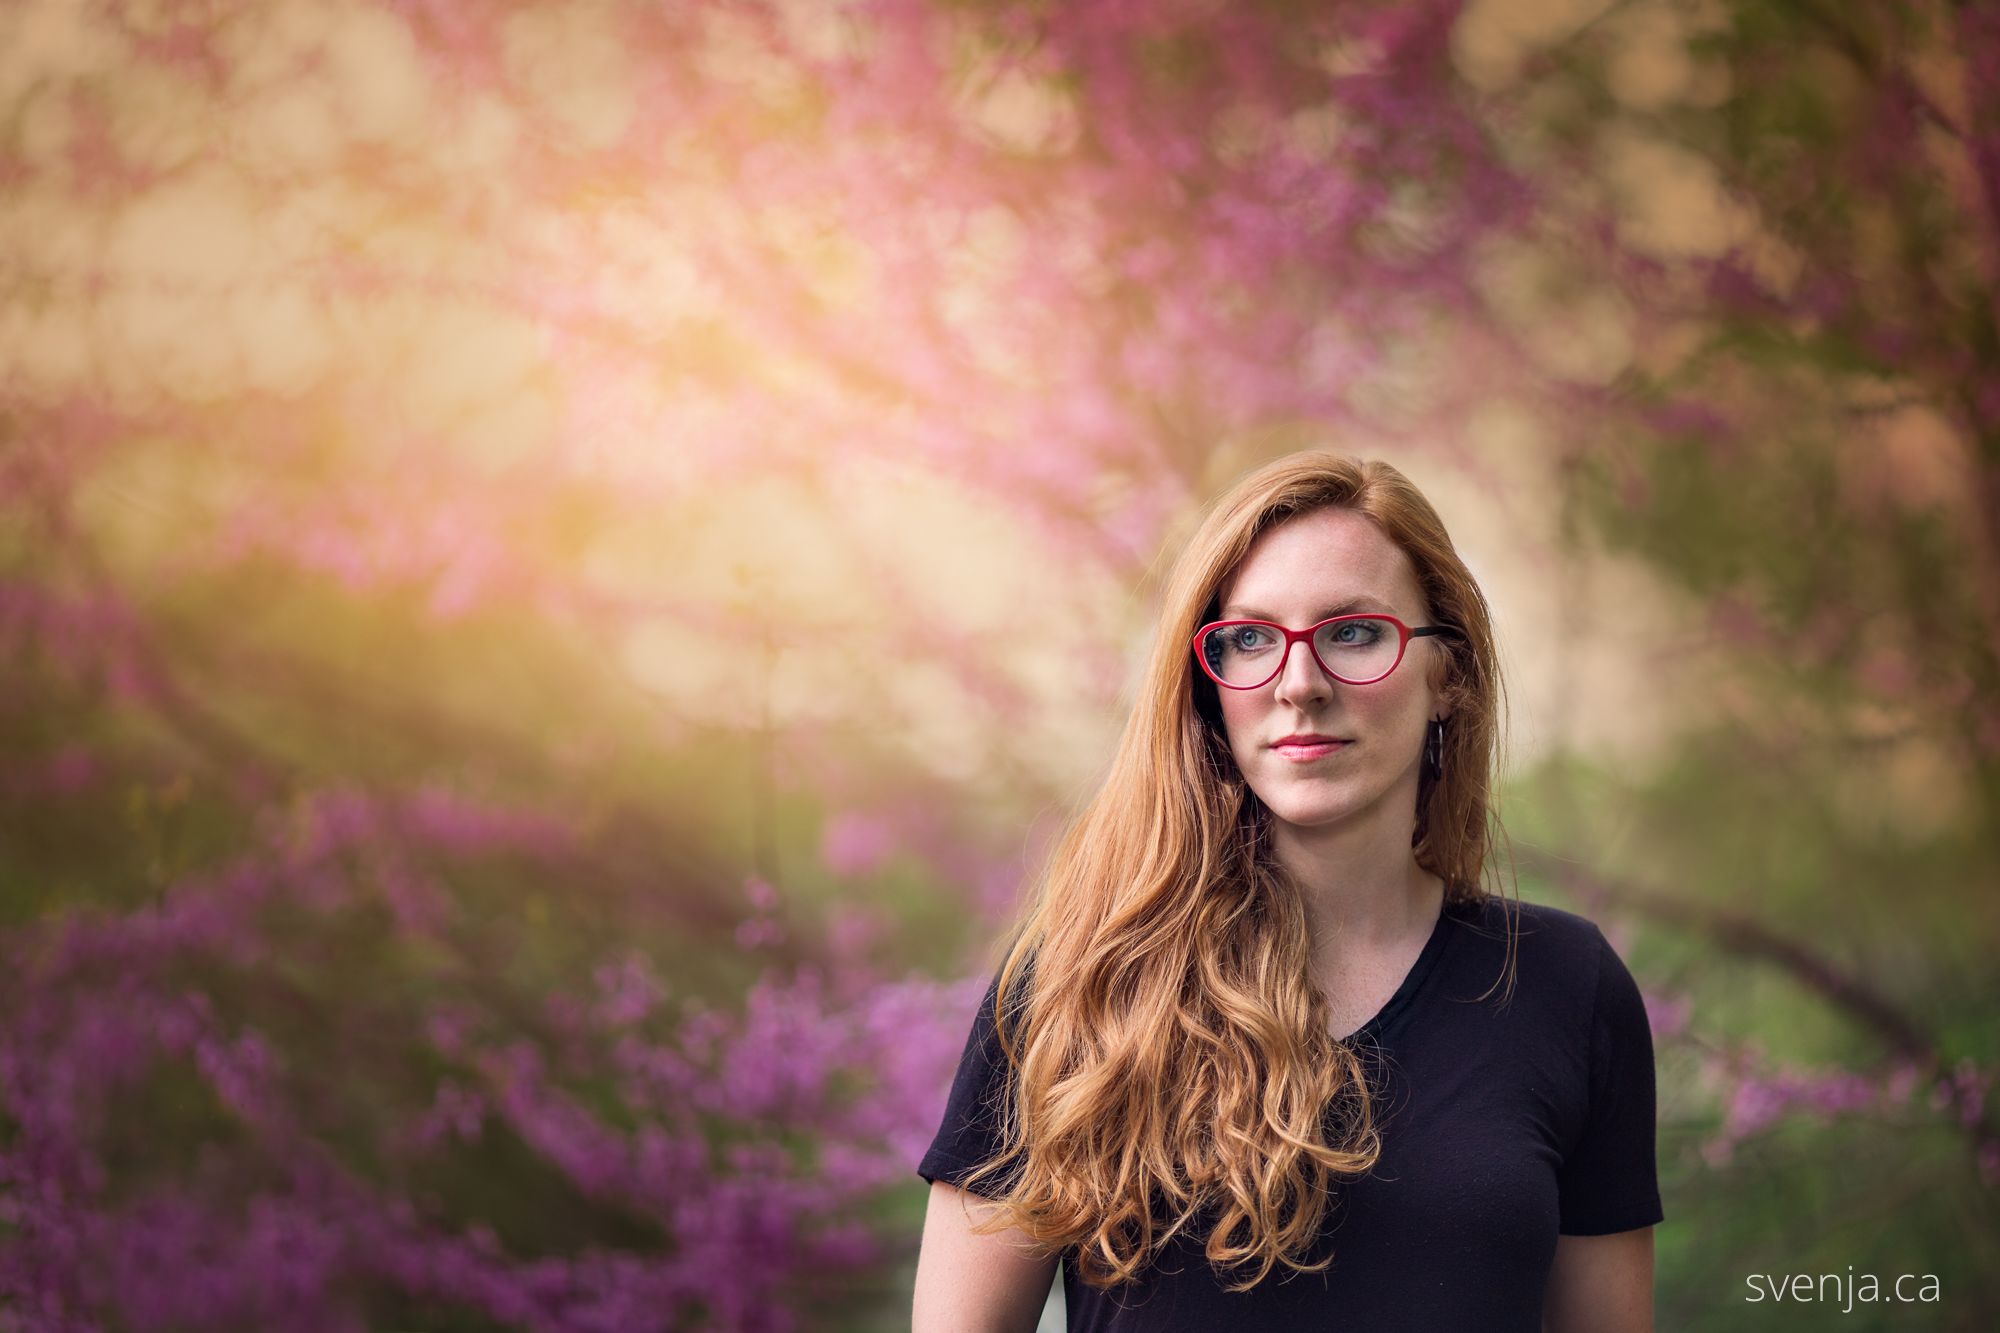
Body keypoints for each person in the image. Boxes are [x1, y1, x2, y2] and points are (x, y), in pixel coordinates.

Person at [910, 453, 1662, 1332]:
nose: (1298, 683)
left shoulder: (1565, 987)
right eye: (1250, 639)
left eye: (1352, 632)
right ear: (1208, 688)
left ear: (1447, 676)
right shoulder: (1080, 983)